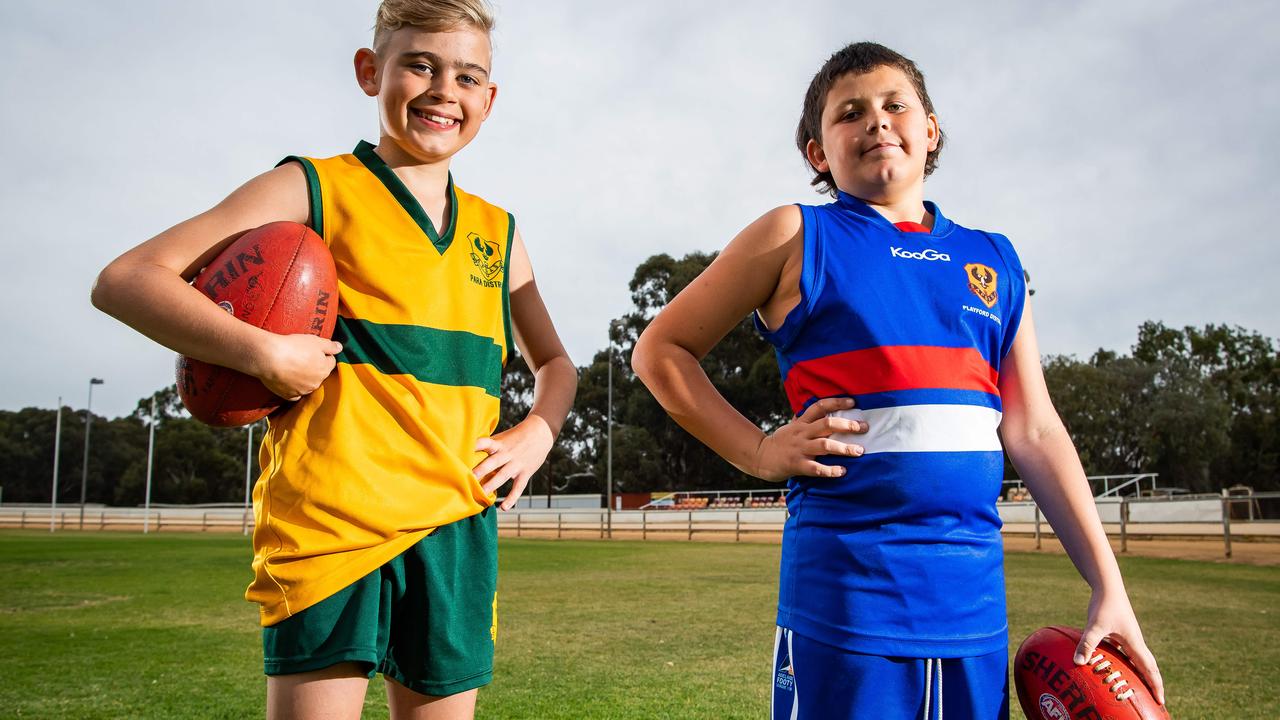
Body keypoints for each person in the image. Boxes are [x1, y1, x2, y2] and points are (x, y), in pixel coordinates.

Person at [631, 41, 1164, 719]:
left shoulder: (993, 258)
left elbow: (1032, 428)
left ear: (931, 129)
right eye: (849, 113)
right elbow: (661, 351)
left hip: (973, 611)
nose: (876, 121)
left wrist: (1108, 584)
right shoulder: (797, 234)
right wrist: (760, 450)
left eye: (894, 105)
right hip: (846, 603)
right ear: (817, 152)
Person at [91, 1, 577, 717]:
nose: (445, 89)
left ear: (489, 99)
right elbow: (126, 280)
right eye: (419, 65)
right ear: (368, 71)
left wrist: (538, 429)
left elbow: (557, 365)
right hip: (330, 527)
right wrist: (263, 351)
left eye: (468, 76)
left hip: (455, 530)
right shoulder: (312, 187)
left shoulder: (499, 233)